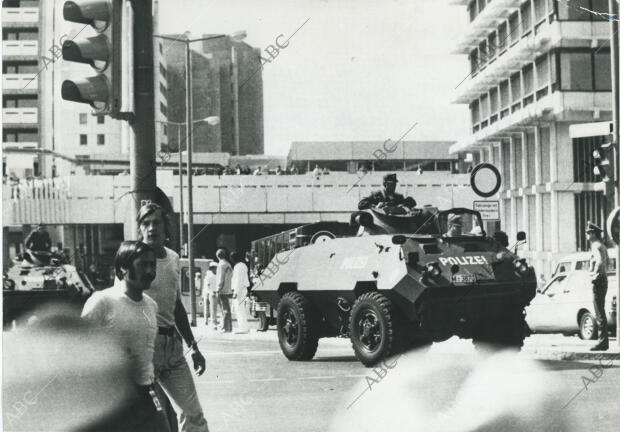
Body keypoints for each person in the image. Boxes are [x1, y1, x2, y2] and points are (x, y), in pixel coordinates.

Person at [81, 241, 170, 432]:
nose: (149, 271)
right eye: (142, 265)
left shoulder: (151, 306)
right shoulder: (103, 301)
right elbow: (78, 346)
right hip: (111, 398)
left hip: (147, 391)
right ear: (123, 269)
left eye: (152, 265)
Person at [136, 203, 209, 432]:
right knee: (149, 421)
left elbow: (176, 305)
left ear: (166, 227)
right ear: (140, 229)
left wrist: (193, 346)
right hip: (144, 348)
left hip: (173, 348)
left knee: (192, 415)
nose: (151, 228)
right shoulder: (133, 258)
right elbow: (121, 303)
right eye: (145, 223)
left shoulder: (173, 259)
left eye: (156, 222)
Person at [586, 222, 609, 351]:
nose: (587, 235)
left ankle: (602, 342)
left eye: (588, 232)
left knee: (599, 312)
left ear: (594, 234)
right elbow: (607, 260)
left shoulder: (595, 245)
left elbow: (600, 261)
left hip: (598, 281)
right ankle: (603, 341)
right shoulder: (602, 245)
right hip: (603, 280)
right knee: (601, 311)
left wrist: (595, 275)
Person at [231, 251, 250, 334]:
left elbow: (238, 281)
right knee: (241, 309)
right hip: (242, 289)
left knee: (239, 309)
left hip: (239, 290)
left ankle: (242, 328)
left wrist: (236, 292)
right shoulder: (243, 265)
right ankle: (244, 327)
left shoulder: (238, 267)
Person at [215, 248, 233, 333]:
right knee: (227, 309)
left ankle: (225, 327)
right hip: (228, 289)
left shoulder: (220, 265)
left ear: (217, 256)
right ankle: (229, 327)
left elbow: (220, 278)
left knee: (224, 309)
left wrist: (218, 289)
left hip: (222, 290)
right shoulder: (228, 264)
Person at [204, 262, 218, 329]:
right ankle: (206, 321)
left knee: (213, 309)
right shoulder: (209, 275)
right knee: (208, 308)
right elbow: (207, 285)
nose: (214, 269)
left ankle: (213, 322)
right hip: (209, 292)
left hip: (212, 293)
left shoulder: (215, 275)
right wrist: (210, 292)